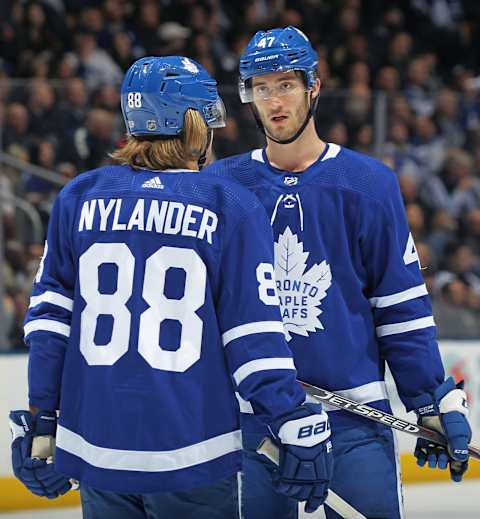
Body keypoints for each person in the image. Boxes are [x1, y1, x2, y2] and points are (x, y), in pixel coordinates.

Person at [9, 56, 334, 518]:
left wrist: (43, 414)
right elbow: (252, 337)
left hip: (99, 450)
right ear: (192, 122)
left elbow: (49, 324)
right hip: (191, 452)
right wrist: (289, 416)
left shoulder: (79, 196)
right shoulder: (228, 204)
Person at [204, 27, 472, 519]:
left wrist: (432, 399)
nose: (273, 100)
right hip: (250, 425)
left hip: (352, 421)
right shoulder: (221, 187)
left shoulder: (368, 183)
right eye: (260, 88)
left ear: (314, 87)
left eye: (285, 84)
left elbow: (399, 306)